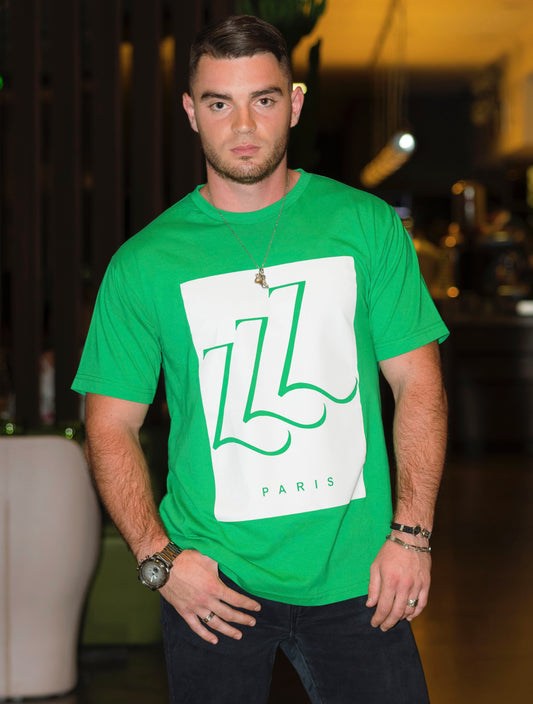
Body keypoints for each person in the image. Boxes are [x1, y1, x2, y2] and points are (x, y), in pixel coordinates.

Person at [72, 14, 448, 704]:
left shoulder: (364, 225)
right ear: (191, 113)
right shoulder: (145, 263)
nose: (243, 125)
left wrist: (412, 535)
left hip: (361, 577)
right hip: (212, 583)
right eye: (219, 103)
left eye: (263, 99)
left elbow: (417, 383)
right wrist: (160, 561)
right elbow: (109, 425)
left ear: (294, 105)